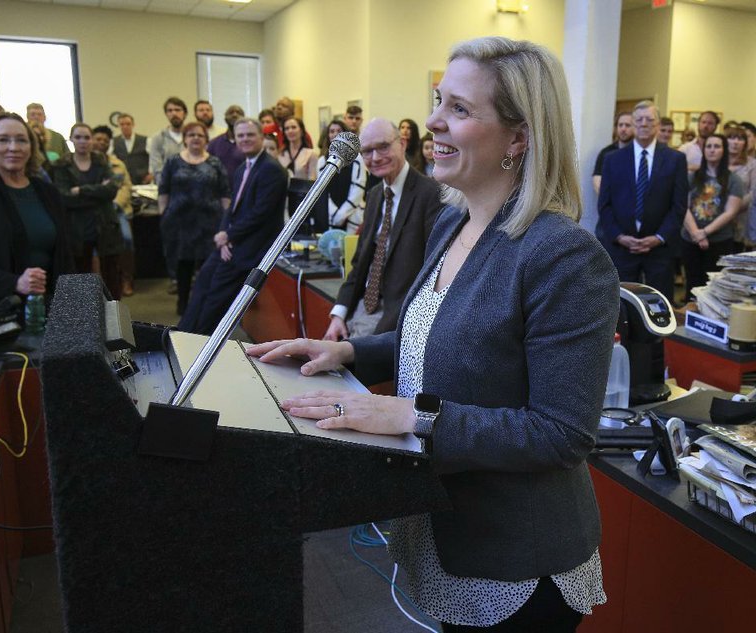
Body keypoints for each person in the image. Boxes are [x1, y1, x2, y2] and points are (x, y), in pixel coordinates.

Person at [248, 36, 618, 632]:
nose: (433, 121)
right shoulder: (453, 220)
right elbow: (432, 337)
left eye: (460, 109)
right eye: (438, 100)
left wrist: (412, 416)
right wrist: (344, 349)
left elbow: (561, 433)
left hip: (515, 562)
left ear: (519, 137)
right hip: (444, 531)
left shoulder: (564, 256)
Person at [323, 118, 442, 341]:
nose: (375, 158)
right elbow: (360, 263)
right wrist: (339, 314)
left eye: (383, 147)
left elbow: (432, 274)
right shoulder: (376, 194)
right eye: (367, 151)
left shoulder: (431, 195)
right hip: (360, 307)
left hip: (396, 317)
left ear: (403, 144)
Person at [0, 112, 73, 328]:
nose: (14, 147)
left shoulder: (46, 191)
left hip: (47, 307)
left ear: (32, 145)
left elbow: (63, 253)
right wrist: (14, 283)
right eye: (3, 140)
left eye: (21, 139)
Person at [177, 118, 287, 335]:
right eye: (240, 135)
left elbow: (259, 215)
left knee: (215, 297)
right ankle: (181, 335)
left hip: (252, 248)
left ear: (261, 137)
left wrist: (229, 236)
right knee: (202, 283)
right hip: (234, 241)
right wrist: (223, 233)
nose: (245, 139)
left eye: (250, 135)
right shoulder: (242, 168)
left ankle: (199, 344)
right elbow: (232, 208)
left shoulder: (272, 170)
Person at [598, 100, 688, 302]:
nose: (644, 124)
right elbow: (604, 205)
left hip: (659, 250)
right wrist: (619, 236)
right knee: (620, 306)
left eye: (650, 119)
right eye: (639, 120)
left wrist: (659, 237)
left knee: (659, 307)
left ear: (657, 124)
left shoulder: (676, 159)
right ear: (633, 124)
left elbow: (679, 205)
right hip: (622, 248)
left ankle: (654, 337)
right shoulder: (613, 159)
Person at [158, 122, 230, 315]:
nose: (195, 138)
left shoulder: (215, 162)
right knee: (183, 265)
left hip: (209, 223)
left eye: (199, 135)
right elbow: (163, 189)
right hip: (180, 223)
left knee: (206, 266)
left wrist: (227, 221)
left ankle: (203, 304)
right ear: (185, 139)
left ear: (206, 139)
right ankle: (182, 303)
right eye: (191, 135)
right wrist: (163, 213)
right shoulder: (173, 161)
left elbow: (225, 193)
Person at [52, 123, 124, 299]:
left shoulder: (101, 161)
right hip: (77, 227)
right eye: (78, 137)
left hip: (105, 224)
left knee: (111, 274)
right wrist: (98, 190)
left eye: (86, 137)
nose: (83, 141)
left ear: (91, 140)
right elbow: (65, 198)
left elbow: (112, 190)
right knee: (80, 273)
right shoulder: (61, 165)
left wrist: (81, 190)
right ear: (71, 139)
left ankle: (114, 312)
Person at [681, 133, 745, 302]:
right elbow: (683, 207)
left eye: (717, 146)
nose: (712, 150)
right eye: (708, 146)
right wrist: (695, 233)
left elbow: (730, 211)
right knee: (692, 284)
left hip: (719, 240)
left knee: (714, 287)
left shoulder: (734, 180)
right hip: (690, 239)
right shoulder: (692, 177)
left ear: (724, 150)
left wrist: (704, 233)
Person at [93, 125, 135, 297]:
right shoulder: (86, 163)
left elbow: (126, 186)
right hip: (94, 211)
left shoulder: (118, 164)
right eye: (98, 139)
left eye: (105, 140)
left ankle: (126, 279)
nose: (101, 142)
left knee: (126, 239)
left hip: (117, 209)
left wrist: (116, 203)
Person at [316, 119, 367, 233]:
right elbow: (322, 191)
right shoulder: (321, 161)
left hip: (353, 216)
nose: (335, 134)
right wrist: (335, 215)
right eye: (332, 131)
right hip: (331, 218)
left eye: (339, 131)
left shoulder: (357, 158)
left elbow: (358, 188)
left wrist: (342, 214)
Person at [726, 126, 756, 251]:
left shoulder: (752, 164)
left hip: (742, 216)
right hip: (717, 215)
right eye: (732, 138)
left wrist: (733, 209)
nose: (736, 142)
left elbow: (753, 192)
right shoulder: (718, 161)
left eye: (740, 139)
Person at [592, 111, 633, 195]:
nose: (623, 129)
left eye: (628, 125)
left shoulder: (640, 153)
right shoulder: (606, 152)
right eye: (620, 125)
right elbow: (597, 181)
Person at [150, 97, 188, 186]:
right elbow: (157, 168)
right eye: (170, 111)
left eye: (177, 110)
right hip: (168, 188)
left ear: (185, 113)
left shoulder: (193, 136)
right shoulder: (158, 138)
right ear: (166, 114)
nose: (174, 113)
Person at [207, 104, 246, 190]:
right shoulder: (214, 143)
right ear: (225, 118)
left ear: (244, 118)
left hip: (244, 191)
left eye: (238, 112)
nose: (235, 115)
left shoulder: (248, 143)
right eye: (231, 112)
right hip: (219, 192)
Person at [113, 113, 151, 185]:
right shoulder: (113, 142)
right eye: (122, 124)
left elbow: (154, 158)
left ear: (133, 125)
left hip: (143, 181)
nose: (125, 126)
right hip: (123, 181)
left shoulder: (146, 140)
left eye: (128, 124)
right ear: (118, 126)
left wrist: (152, 174)